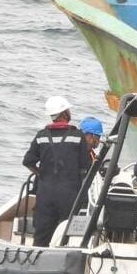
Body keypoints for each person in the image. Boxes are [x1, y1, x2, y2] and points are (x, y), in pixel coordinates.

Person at [23, 96, 93, 247]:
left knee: (41, 236)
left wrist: (39, 174)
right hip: (69, 194)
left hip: (45, 194)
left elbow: (28, 161)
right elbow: (85, 165)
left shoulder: (41, 136)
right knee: (66, 234)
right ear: (65, 113)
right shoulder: (77, 136)